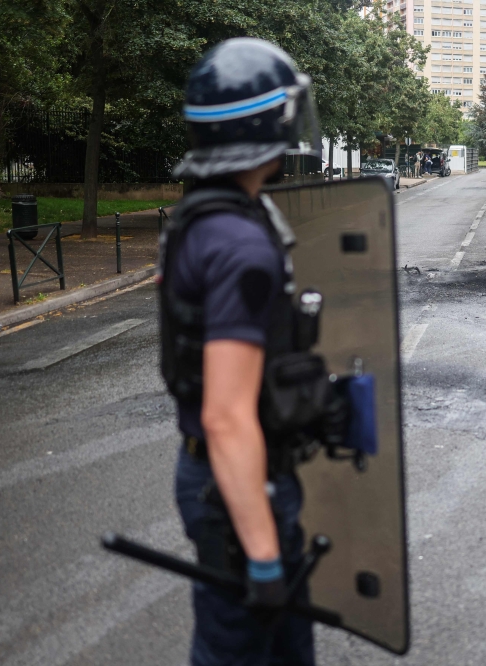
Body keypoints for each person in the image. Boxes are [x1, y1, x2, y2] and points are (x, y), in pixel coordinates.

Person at [162, 37, 323, 666]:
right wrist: (260, 555)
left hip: (217, 478)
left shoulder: (201, 218)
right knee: (231, 654)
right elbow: (227, 415)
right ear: (266, 123)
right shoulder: (241, 245)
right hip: (239, 490)